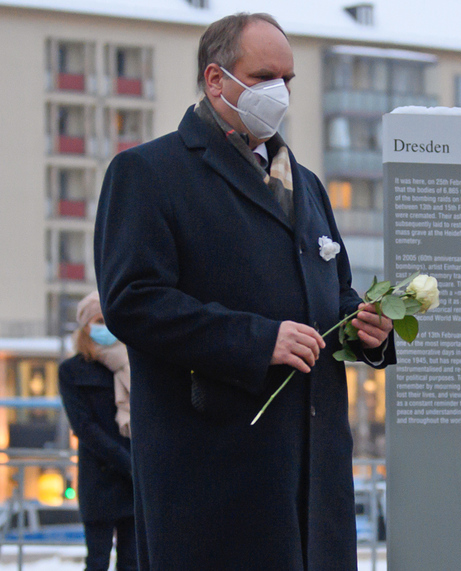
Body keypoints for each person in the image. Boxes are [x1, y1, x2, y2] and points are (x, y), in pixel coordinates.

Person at [94, 13, 395, 570]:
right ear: (215, 80)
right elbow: (132, 301)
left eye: (288, 78)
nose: (279, 92)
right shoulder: (148, 172)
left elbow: (335, 288)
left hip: (314, 483)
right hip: (214, 479)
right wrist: (257, 340)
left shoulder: (305, 184)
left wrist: (363, 326)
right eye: (262, 77)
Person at [58, 292, 136, 571]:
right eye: (98, 320)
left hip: (132, 480)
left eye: (108, 320)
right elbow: (83, 426)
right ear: (86, 326)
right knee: (97, 560)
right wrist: (126, 461)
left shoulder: (130, 366)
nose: (105, 327)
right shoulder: (72, 370)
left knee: (132, 562)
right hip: (100, 479)